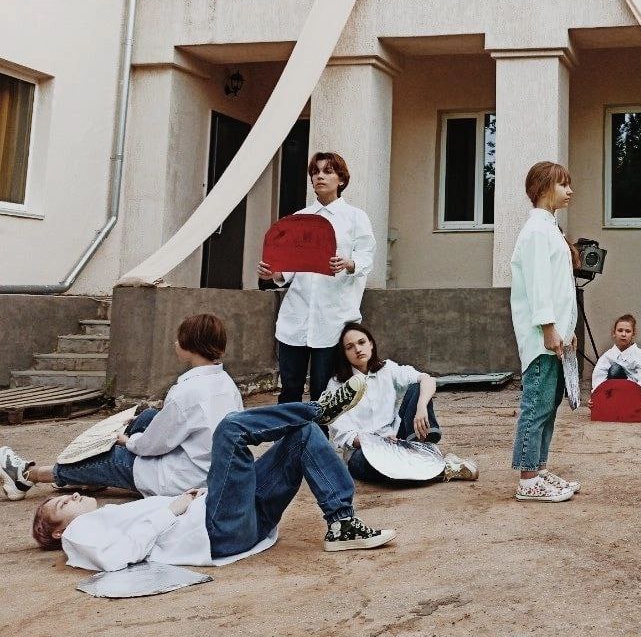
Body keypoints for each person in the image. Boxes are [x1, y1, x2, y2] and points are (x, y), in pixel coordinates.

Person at [30, 374, 393, 566]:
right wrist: (172, 508)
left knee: (302, 435)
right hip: (219, 531)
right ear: (60, 534)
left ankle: (342, 523)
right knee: (231, 429)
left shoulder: (102, 517)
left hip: (237, 519)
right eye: (62, 505)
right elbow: (114, 558)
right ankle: (316, 409)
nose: (73, 495)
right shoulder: (81, 536)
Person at [2, 314, 242, 502]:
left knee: (108, 456)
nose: (174, 342)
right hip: (209, 467)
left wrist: (128, 441)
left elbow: (154, 445)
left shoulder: (186, 392)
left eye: (179, 339)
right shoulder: (226, 383)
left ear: (191, 346)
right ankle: (89, 479)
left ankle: (25, 475)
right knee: (149, 416)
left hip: (184, 478)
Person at [258, 152, 376, 404]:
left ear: (341, 180)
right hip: (296, 317)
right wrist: (274, 273)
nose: (320, 176)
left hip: (333, 318)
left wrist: (349, 263)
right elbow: (289, 267)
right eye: (316, 172)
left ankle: (318, 442)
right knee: (290, 389)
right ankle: (289, 440)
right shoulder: (300, 218)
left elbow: (367, 256)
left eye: (328, 171)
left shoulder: (356, 217)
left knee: (324, 391)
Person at [324, 323, 477, 486]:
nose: (358, 349)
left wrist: (421, 408)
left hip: (399, 441)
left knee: (418, 388)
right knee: (366, 465)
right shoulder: (337, 385)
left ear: (371, 344)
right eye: (350, 347)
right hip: (365, 451)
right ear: (344, 354)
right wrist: (377, 442)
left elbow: (427, 379)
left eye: (362, 342)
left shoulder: (387, 369)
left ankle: (423, 451)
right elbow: (343, 434)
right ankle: (443, 468)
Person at [510, 161, 580, 502]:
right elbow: (539, 289)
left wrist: (568, 331)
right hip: (541, 338)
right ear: (542, 188)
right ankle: (527, 480)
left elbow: (560, 288)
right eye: (562, 184)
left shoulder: (550, 228)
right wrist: (550, 330)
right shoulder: (537, 231)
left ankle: (538, 468)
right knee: (536, 405)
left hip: (556, 336)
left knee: (550, 405)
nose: (569, 191)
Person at [590, 314, 641, 417]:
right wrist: (596, 397)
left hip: (637, 392)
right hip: (617, 393)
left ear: (633, 334)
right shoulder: (608, 356)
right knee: (614, 370)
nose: (623, 334)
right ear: (614, 333)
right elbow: (599, 378)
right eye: (620, 330)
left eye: (628, 331)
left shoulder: (640, 354)